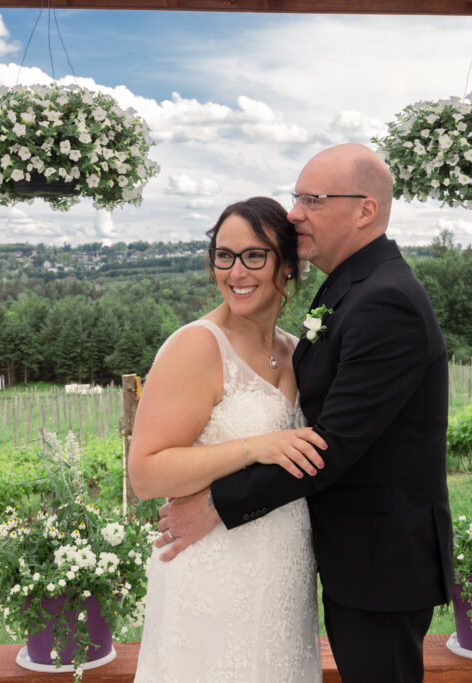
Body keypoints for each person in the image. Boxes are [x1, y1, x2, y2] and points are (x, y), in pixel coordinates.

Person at [155, 143, 455, 682]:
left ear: (365, 209)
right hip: (329, 560)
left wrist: (217, 506)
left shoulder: (385, 299)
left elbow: (332, 444)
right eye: (297, 198)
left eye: (312, 199)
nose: (296, 213)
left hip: (379, 564)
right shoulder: (347, 291)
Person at [129, 196, 328, 682]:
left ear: (288, 265)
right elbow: (145, 473)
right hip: (212, 571)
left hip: (284, 573)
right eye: (224, 255)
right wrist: (252, 448)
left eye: (254, 256)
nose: (236, 271)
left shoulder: (296, 350)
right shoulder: (197, 345)